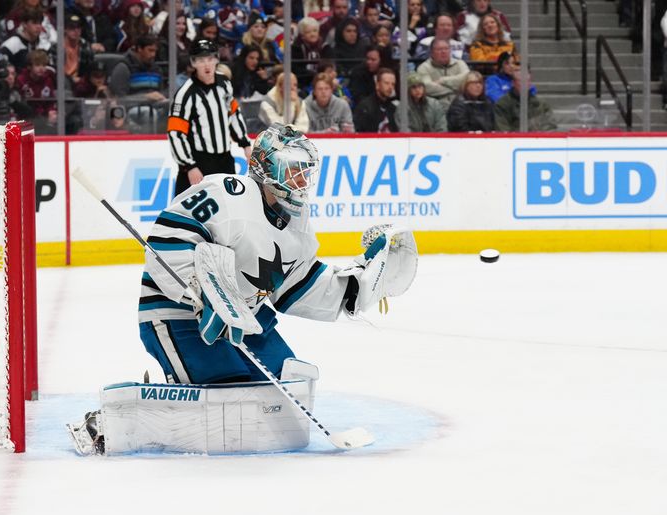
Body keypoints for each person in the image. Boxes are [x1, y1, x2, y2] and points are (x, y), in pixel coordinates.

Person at [68, 124, 418, 455]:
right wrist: (201, 295)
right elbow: (169, 237)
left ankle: (178, 389)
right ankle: (114, 419)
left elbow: (296, 285)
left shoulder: (298, 223)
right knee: (226, 392)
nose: (301, 179)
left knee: (283, 391)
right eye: (292, 169)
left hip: (245, 319)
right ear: (265, 168)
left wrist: (356, 287)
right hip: (179, 315)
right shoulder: (228, 193)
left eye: (305, 170)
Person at [166, 39, 251, 197]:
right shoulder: (185, 94)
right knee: (186, 213)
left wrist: (245, 144)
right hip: (199, 162)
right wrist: (189, 166)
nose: (206, 64)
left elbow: (233, 114)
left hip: (225, 160)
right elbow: (175, 133)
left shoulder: (224, 83)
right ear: (193, 62)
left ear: (217, 59)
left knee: (230, 206)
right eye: (201, 60)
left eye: (210, 59)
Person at [109, 35, 166, 102]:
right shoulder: (123, 68)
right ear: (139, 49)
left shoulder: (156, 69)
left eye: (155, 51)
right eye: (150, 50)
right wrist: (145, 97)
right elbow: (120, 99)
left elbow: (161, 92)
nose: (153, 55)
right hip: (133, 109)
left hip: (156, 107)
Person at [417, 37, 469, 105]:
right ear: (432, 52)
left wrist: (443, 81)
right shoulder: (423, 67)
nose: (443, 52)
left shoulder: (460, 63)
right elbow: (427, 87)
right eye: (439, 49)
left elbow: (467, 78)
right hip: (435, 105)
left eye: (446, 49)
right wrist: (456, 89)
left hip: (460, 105)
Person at [353, 67, 398, 132]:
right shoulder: (365, 107)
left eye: (393, 84)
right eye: (386, 83)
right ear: (377, 85)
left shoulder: (393, 109)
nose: (390, 87)